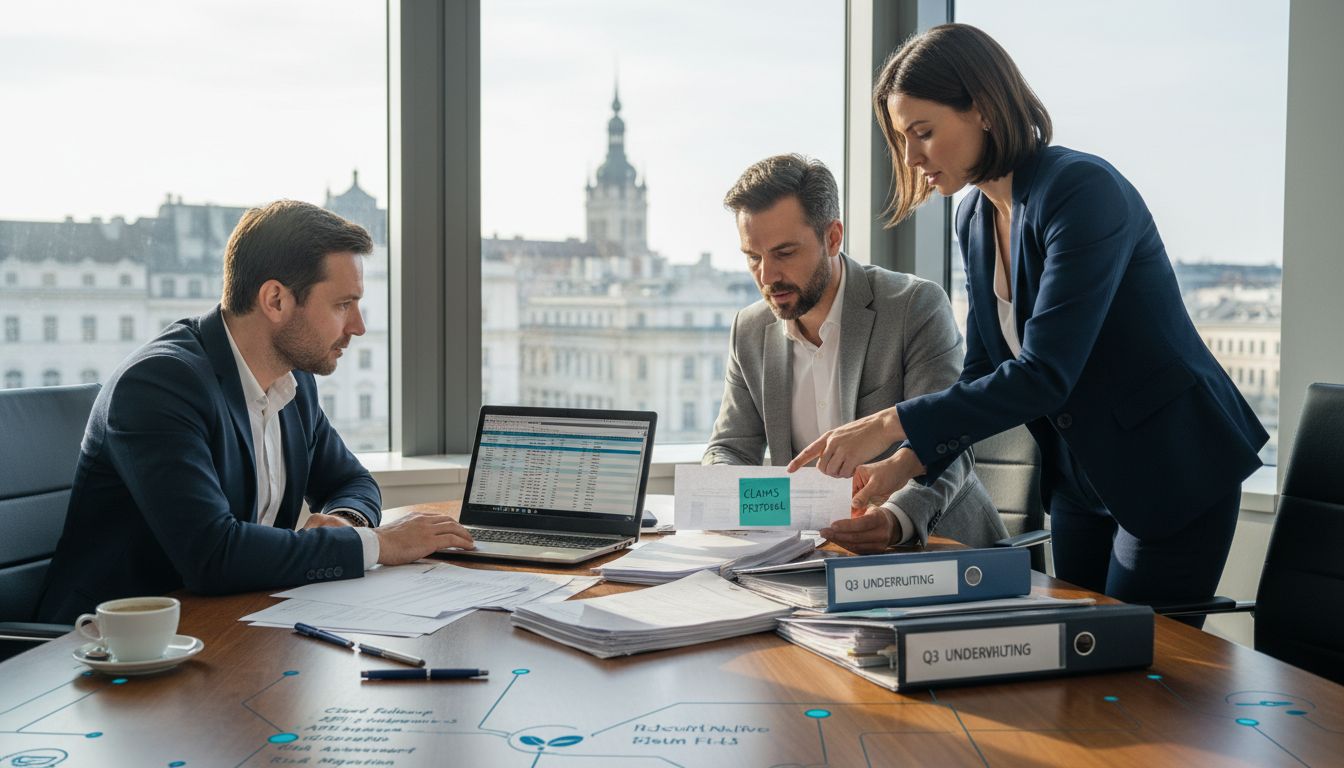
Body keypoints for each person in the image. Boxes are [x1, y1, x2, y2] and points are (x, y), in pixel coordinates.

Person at [789, 24, 1268, 621]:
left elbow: (1044, 374)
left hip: (1168, 467)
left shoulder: (1081, 192)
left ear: (985, 109)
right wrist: (902, 464)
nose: (910, 158)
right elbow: (986, 369)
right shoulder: (974, 218)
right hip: (1078, 480)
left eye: (924, 133)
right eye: (902, 139)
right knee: (1079, 664)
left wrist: (885, 425)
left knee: (1139, 672)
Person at [38, 200, 474, 623]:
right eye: (343, 305)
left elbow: (351, 480)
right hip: (110, 649)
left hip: (230, 623)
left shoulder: (293, 380)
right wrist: (375, 544)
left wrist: (344, 522)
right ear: (276, 300)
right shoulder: (159, 385)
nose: (357, 326)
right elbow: (214, 555)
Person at [705, 154, 1005, 553]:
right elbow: (729, 448)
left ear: (833, 237)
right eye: (753, 257)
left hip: (937, 550)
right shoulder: (750, 328)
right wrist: (726, 498)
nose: (767, 276)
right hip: (814, 556)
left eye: (785, 253)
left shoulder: (914, 306)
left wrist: (894, 519)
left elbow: (948, 438)